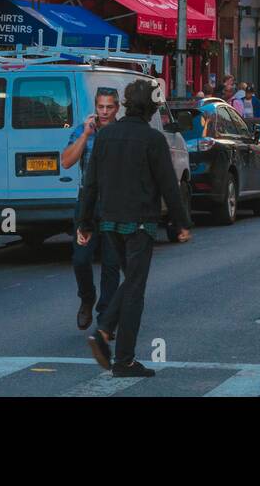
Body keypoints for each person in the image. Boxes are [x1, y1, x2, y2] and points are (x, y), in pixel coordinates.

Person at [79, 80, 192, 378]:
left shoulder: (105, 136)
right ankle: (110, 340)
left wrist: (85, 222)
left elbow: (90, 181)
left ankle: (119, 353)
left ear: (127, 104)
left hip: (109, 221)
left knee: (131, 285)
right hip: (140, 222)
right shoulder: (152, 139)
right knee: (134, 286)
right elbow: (169, 185)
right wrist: (181, 223)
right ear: (151, 107)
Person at [62, 87, 124, 331]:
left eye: (110, 107)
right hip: (87, 204)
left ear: (117, 108)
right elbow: (66, 161)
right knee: (81, 259)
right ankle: (87, 298)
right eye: (101, 107)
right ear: (95, 107)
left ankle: (105, 316)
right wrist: (86, 136)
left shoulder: (122, 132)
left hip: (115, 206)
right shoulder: (83, 129)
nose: (105, 112)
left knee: (111, 263)